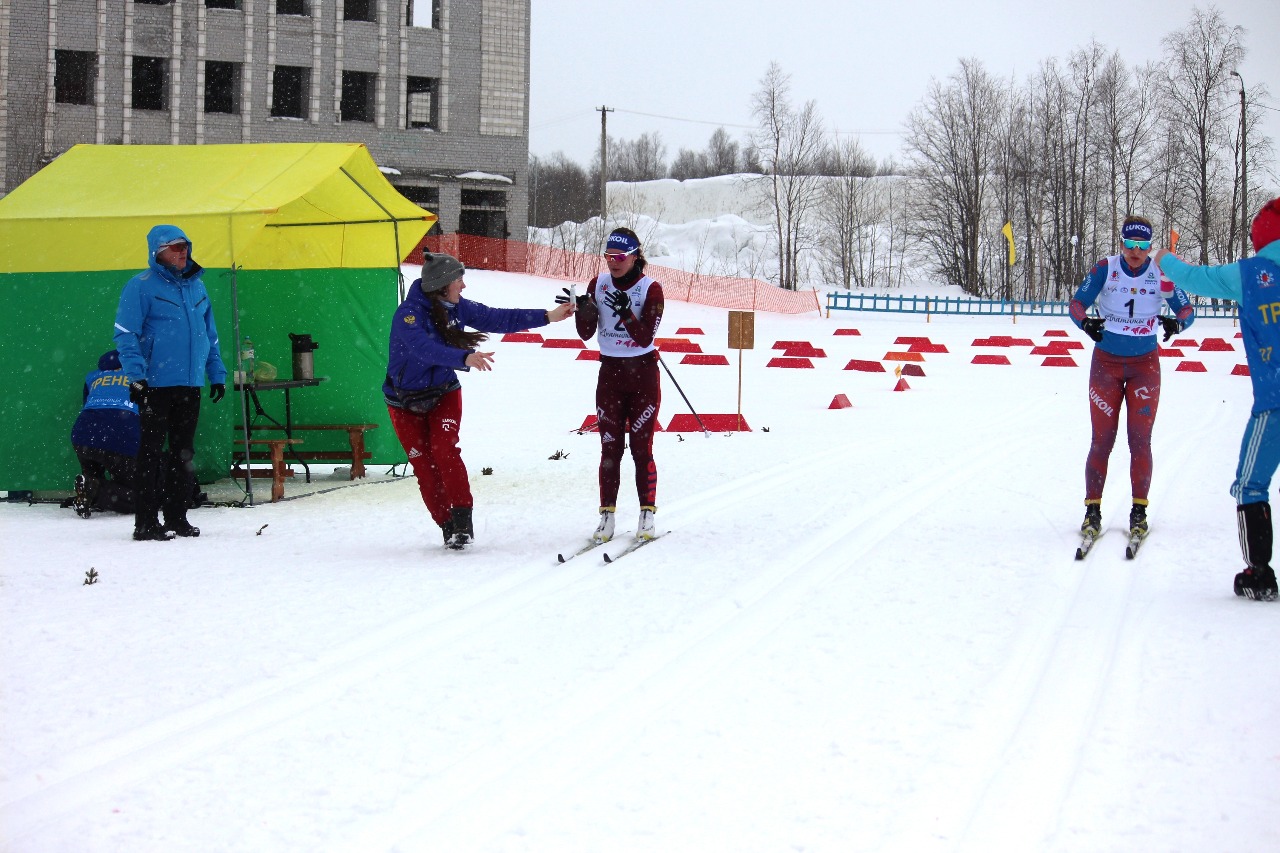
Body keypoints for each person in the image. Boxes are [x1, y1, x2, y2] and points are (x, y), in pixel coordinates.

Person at [384, 252, 575, 550]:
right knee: (423, 464)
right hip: (403, 400)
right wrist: (463, 357)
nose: (464, 286)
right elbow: (422, 348)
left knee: (443, 450)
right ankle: (445, 524)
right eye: (459, 280)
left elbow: (496, 317)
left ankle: (462, 524)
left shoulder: (457, 307)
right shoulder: (409, 314)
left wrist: (548, 316)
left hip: (443, 391)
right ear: (443, 284)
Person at [1154, 198, 1280, 601]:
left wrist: (1165, 259)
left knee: (1250, 484)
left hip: (1274, 404)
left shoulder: (1251, 274)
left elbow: (1195, 277)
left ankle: (1258, 574)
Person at [1069, 214, 1196, 541]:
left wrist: (1176, 325)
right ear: (1122, 243)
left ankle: (1139, 511)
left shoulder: (1161, 272)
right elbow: (1076, 303)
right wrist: (1085, 324)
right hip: (1106, 366)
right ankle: (1092, 511)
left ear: (1150, 246)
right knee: (1102, 441)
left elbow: (1187, 311)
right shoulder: (1106, 268)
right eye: (1130, 243)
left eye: (1142, 245)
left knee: (1139, 441)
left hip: (1144, 367)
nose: (1136, 251)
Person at [114, 225, 227, 541]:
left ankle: (177, 517)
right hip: (155, 385)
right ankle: (146, 523)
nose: (182, 252)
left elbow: (209, 336)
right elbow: (126, 334)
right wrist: (136, 378)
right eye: (174, 247)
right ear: (157, 252)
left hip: (190, 384)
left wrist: (215, 373)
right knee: (150, 453)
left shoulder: (197, 287)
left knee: (183, 454)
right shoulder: (140, 286)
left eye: (185, 246)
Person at [565, 227, 665, 544]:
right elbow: (585, 333)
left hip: (643, 377)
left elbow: (644, 336)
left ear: (635, 256)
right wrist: (582, 309)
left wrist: (624, 311)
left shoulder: (651, 289)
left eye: (619, 257)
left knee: (640, 448)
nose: (613, 263)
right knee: (609, 448)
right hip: (610, 375)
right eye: (608, 257)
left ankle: (646, 512)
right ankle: (606, 516)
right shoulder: (599, 283)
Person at [69, 349, 139, 516]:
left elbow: (86, 403)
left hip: (83, 434)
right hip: (121, 438)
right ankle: (95, 490)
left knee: (93, 472)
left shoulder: (93, 376)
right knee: (141, 498)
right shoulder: (140, 377)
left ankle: (89, 488)